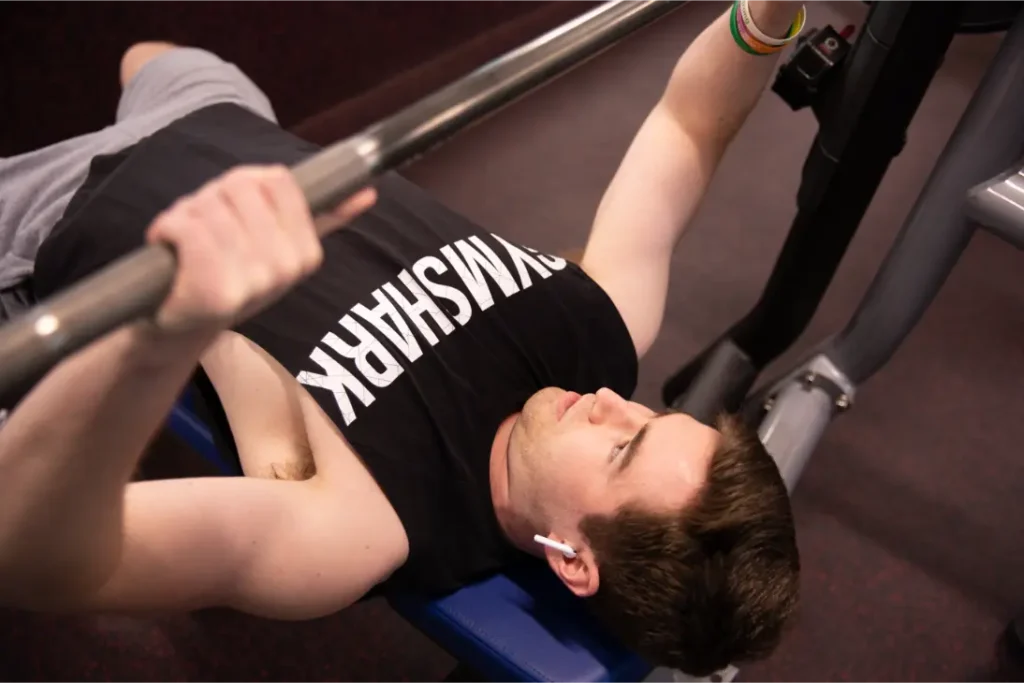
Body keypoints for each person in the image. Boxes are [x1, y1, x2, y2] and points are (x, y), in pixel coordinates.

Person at [0, 0, 803, 676]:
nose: (610, 404)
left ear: (572, 557)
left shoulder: (356, 532)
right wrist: (767, 20)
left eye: (622, 451)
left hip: (51, 225)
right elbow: (688, 127)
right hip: (226, 123)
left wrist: (165, 332)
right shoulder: (598, 328)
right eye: (652, 417)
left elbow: (40, 559)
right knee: (150, 53)